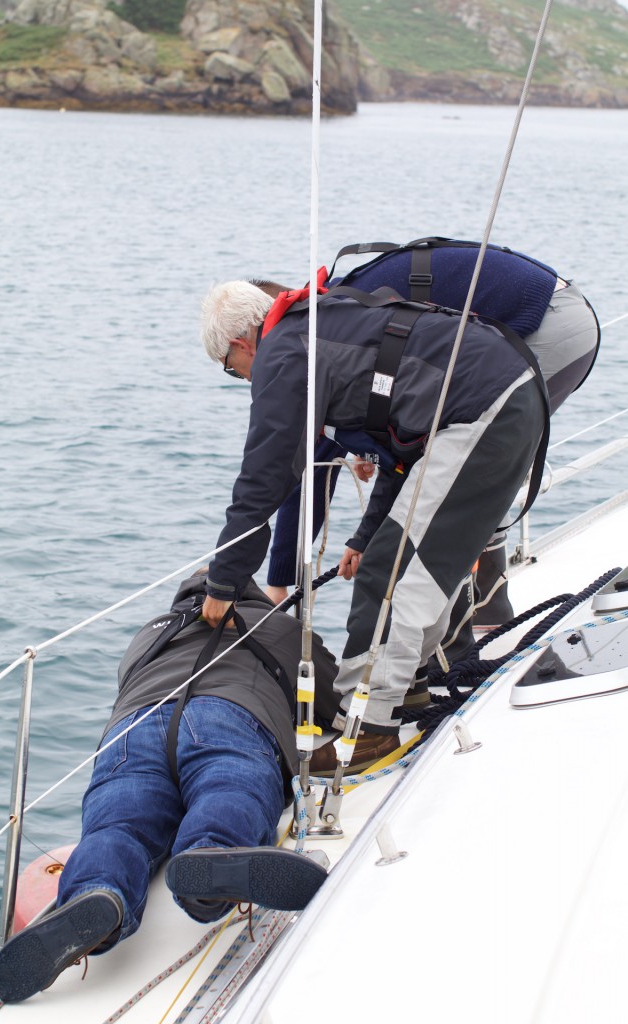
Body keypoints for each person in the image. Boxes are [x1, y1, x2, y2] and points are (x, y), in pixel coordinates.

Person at [199, 278, 548, 769]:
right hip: (506, 396)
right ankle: (405, 692)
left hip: (483, 408)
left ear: (240, 343)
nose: (242, 379)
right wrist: (365, 535)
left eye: (233, 372)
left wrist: (224, 581)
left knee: (390, 573)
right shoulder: (327, 325)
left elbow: (264, 478)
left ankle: (365, 730)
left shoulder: (282, 351)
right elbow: (402, 448)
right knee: (412, 560)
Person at [0, 571, 341, 1004]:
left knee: (118, 827)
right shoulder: (280, 626)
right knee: (230, 785)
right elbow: (333, 702)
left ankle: (97, 890)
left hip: (133, 727)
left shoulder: (148, 632)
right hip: (229, 712)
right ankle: (211, 850)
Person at [259, 240, 600, 626]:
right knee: (455, 473)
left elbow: (312, 462)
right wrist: (365, 450)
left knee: (463, 479)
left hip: (545, 323)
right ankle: (481, 611)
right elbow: (382, 417)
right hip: (558, 310)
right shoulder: (336, 309)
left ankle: (476, 619)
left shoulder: (332, 335)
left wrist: (279, 582)